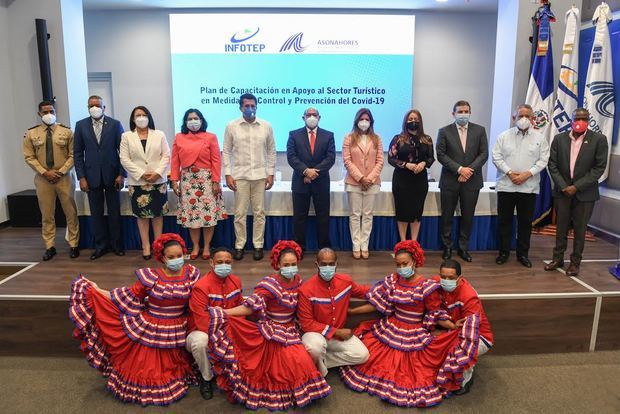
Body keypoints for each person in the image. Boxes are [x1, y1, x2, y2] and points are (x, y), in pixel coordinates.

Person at [340, 240, 479, 407]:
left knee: (411, 371)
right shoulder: (393, 280)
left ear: (415, 261)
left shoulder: (426, 286)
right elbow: (375, 303)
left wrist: (452, 326)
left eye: (405, 263)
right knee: (374, 360)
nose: (401, 268)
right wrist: (352, 312)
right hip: (391, 326)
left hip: (414, 331)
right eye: (398, 264)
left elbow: (435, 314)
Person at [69, 233, 199, 406]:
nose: (177, 259)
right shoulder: (151, 277)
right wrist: (98, 290)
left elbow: (200, 299)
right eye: (171, 257)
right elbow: (126, 297)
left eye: (179, 256)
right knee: (149, 371)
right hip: (153, 328)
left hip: (179, 328)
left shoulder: (192, 274)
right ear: (162, 257)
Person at [206, 240, 331, 411]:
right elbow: (249, 307)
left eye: (293, 264)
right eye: (286, 264)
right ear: (277, 264)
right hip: (272, 330)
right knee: (282, 365)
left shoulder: (299, 281)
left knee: (300, 361)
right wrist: (224, 312)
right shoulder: (270, 284)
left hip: (292, 329)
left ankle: (301, 391)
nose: (290, 267)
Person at [544, 108, 608, 276]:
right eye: (578, 118)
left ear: (588, 120)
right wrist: (564, 186)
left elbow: (599, 168)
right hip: (562, 192)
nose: (581, 121)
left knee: (580, 230)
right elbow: (552, 165)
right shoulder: (559, 139)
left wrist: (577, 186)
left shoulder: (599, 139)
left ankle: (575, 263)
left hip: (585, 194)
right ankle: (557, 259)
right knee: (561, 228)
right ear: (572, 119)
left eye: (584, 118)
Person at [492, 104, 550, 268]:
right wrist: (510, 173)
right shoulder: (503, 136)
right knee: (505, 221)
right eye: (520, 116)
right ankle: (503, 252)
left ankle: (523, 254)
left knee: (525, 223)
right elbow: (496, 157)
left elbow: (543, 160)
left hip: (528, 187)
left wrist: (527, 174)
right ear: (513, 118)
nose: (523, 119)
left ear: (533, 119)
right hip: (506, 186)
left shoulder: (540, 138)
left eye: (527, 116)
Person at [297, 248, 370, 377]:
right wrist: (336, 331)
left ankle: (321, 362)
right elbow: (306, 323)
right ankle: (317, 367)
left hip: (336, 337)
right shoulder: (306, 290)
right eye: (324, 264)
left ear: (337, 264)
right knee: (315, 347)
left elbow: (364, 291)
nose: (328, 267)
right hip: (316, 335)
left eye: (331, 264)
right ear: (317, 264)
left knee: (362, 355)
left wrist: (388, 288)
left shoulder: (345, 282)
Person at [23, 100, 80, 260]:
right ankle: (50, 246)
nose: (49, 115)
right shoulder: (31, 134)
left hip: (64, 177)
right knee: (47, 214)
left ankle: (74, 244)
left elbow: (73, 155)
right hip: (43, 179)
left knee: (70, 212)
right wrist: (44, 172)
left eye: (52, 112)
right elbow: (29, 157)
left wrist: (61, 172)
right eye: (45, 112)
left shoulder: (67, 132)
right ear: (39, 114)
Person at [223, 93, 276, 261]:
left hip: (260, 175)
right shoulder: (232, 126)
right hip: (240, 176)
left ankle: (258, 245)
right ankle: (240, 245)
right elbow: (226, 151)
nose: (250, 108)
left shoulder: (266, 126)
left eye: (253, 106)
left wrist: (271, 173)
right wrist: (228, 174)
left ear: (256, 107)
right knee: (239, 213)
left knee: (259, 212)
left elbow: (271, 151)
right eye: (247, 106)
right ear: (240, 107)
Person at [186, 247, 242, 400]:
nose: (224, 265)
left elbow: (240, 310)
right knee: (200, 342)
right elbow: (202, 321)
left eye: (227, 262)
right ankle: (207, 378)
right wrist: (224, 336)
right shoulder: (201, 287)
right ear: (211, 263)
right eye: (220, 262)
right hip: (202, 331)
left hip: (228, 328)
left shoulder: (236, 281)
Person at [74, 95, 125, 260]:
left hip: (112, 176)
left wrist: (121, 174)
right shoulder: (81, 125)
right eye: (91, 106)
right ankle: (100, 246)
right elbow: (77, 153)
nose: (94, 108)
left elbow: (123, 152)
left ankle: (116, 245)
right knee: (96, 214)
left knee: (114, 213)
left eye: (97, 105)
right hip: (91, 177)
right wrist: (81, 177)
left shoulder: (115, 124)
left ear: (104, 108)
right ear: (88, 107)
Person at [436, 100, 488, 262]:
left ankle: (463, 248)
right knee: (447, 216)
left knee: (468, 216)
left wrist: (468, 171)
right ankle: (447, 248)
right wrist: (459, 169)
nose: (463, 114)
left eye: (466, 111)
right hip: (450, 180)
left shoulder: (480, 131)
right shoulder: (444, 131)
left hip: (472, 181)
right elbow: (441, 155)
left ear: (470, 113)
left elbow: (483, 154)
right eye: (460, 112)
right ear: (453, 114)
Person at [171, 108, 226, 260]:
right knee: (192, 216)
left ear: (201, 121)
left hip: (207, 181)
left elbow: (216, 160)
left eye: (196, 118)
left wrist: (216, 181)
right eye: (190, 119)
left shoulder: (211, 137)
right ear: (185, 122)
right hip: (187, 181)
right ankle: (195, 246)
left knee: (207, 216)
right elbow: (175, 160)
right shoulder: (179, 137)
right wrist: (174, 180)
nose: (193, 121)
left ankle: (207, 246)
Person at [434, 259, 494, 395]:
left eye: (451, 278)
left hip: (477, 337)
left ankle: (466, 380)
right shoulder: (438, 282)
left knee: (454, 352)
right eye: (443, 277)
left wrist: (446, 334)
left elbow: (469, 337)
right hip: (455, 328)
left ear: (460, 279)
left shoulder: (469, 297)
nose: (445, 280)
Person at [119, 106, 170, 260]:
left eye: (143, 115)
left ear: (149, 117)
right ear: (133, 119)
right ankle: (146, 245)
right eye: (137, 115)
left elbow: (166, 156)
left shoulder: (159, 134)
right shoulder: (126, 136)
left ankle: (158, 245)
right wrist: (141, 173)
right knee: (142, 216)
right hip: (137, 182)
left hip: (157, 181)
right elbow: (124, 159)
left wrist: (157, 173)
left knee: (157, 215)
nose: (141, 117)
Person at [287, 107, 336, 252]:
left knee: (323, 217)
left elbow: (330, 158)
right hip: (300, 182)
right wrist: (306, 171)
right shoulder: (294, 135)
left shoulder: (328, 135)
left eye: (314, 115)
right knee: (299, 218)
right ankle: (298, 249)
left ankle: (324, 249)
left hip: (321, 182)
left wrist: (314, 173)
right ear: (303, 118)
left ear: (319, 117)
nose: (312, 117)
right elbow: (292, 157)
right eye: (308, 115)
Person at [343, 108, 384, 259]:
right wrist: (361, 178)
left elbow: (380, 161)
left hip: (372, 183)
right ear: (356, 121)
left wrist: (369, 179)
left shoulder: (377, 138)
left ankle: (364, 245)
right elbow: (347, 161)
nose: (364, 122)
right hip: (354, 182)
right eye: (362, 119)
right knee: (354, 215)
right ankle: (356, 245)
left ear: (371, 122)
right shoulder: (349, 138)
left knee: (367, 215)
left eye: (367, 119)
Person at [388, 109, 434, 242]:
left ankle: (413, 242)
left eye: (415, 119)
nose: (413, 122)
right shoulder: (398, 139)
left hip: (419, 180)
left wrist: (424, 163)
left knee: (416, 212)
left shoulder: (427, 139)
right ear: (405, 122)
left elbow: (431, 158)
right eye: (410, 119)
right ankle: (403, 242)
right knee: (402, 212)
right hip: (402, 180)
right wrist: (406, 164)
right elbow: (391, 158)